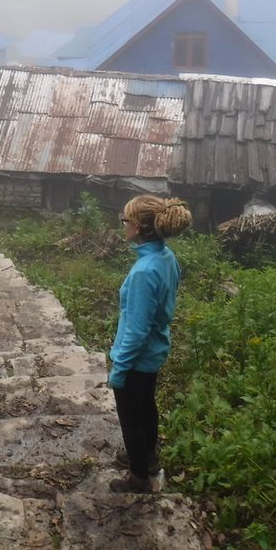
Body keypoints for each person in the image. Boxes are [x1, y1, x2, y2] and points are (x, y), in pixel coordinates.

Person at [108, 194, 193, 493]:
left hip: (137, 357)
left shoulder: (145, 272)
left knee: (131, 417)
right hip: (154, 351)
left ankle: (139, 477)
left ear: (139, 228)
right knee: (146, 407)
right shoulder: (165, 258)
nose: (123, 225)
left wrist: (120, 367)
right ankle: (146, 456)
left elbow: (137, 329)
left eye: (125, 220)